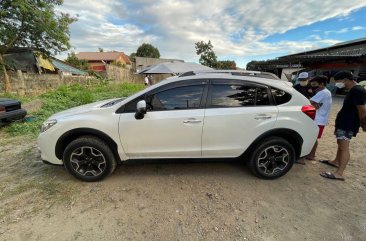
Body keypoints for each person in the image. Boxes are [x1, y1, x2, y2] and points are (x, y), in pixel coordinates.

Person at [320, 71, 366, 181]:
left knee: (344, 147)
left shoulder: (357, 90)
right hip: (344, 122)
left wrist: (363, 124)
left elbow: (362, 110)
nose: (338, 84)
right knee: (340, 143)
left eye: (338, 82)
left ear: (346, 79)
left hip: (348, 124)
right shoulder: (353, 90)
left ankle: (339, 173)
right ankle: (336, 161)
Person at [299, 76, 332, 164]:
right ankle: (311, 155)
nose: (312, 86)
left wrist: (312, 103)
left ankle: (303, 158)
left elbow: (308, 103)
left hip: (318, 119)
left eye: (314, 84)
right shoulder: (325, 92)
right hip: (320, 119)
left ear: (321, 84)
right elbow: (313, 104)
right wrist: (313, 104)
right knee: (314, 138)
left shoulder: (323, 93)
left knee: (310, 137)